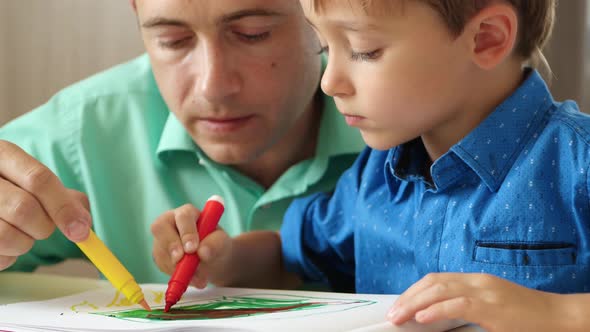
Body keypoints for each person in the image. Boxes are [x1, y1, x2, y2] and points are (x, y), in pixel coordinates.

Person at [154, 0, 590, 330]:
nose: (330, 81)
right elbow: (293, 254)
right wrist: (225, 258)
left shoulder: (577, 161)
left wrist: (554, 312)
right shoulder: (375, 176)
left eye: (364, 50)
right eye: (325, 47)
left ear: (487, 38)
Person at [0, 0, 364, 284]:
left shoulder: (411, 129)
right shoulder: (83, 131)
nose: (212, 87)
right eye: (172, 40)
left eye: (253, 33)